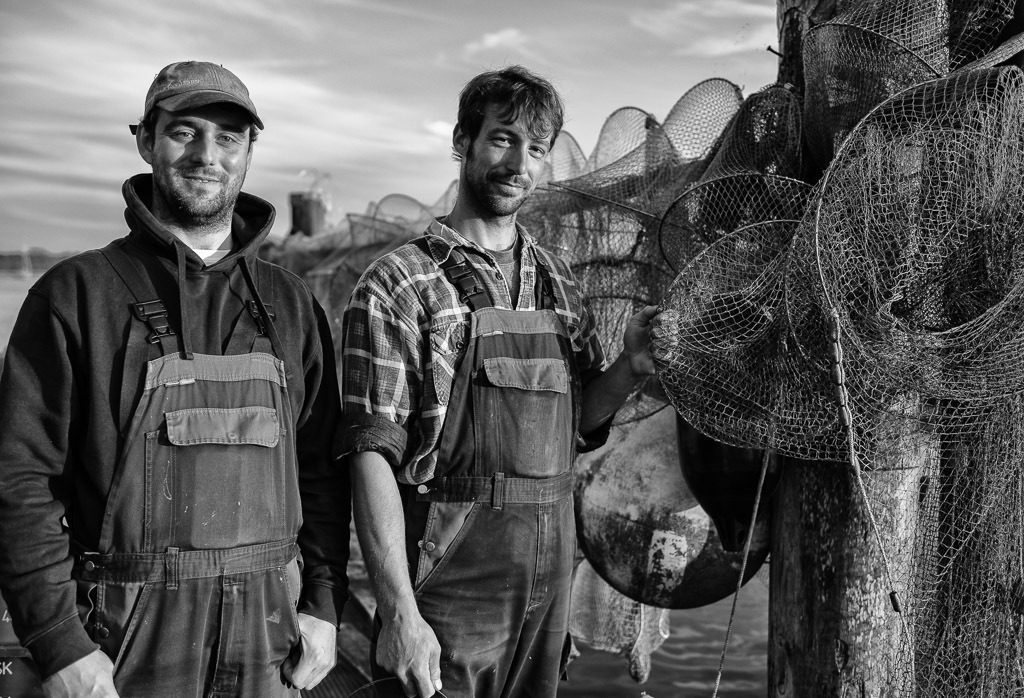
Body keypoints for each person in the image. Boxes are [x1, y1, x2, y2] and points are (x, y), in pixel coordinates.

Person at [0, 61, 349, 696]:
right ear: (144, 140)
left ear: (248, 153)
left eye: (228, 138)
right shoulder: (74, 295)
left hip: (271, 643)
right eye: (184, 131)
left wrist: (324, 605)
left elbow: (323, 469)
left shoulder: (291, 304)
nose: (206, 155)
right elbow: (19, 480)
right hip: (119, 647)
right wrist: (57, 641)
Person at [339, 65, 658, 698]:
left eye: (536, 148)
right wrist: (399, 613)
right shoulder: (398, 283)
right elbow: (370, 453)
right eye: (503, 138)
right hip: (450, 581)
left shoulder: (559, 281)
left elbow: (582, 423)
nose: (520, 163)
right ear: (462, 141)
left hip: (548, 580)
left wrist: (629, 367)